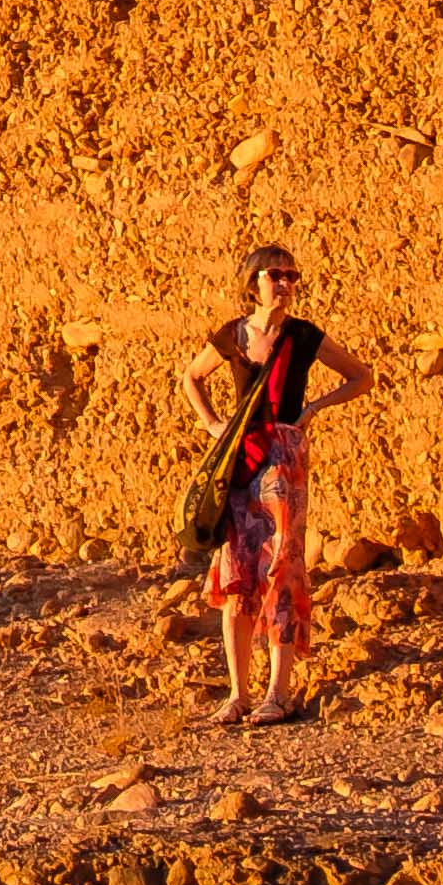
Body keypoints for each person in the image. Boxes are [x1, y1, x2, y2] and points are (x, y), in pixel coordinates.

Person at [183, 242, 370, 727]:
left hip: (283, 459)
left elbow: (361, 377)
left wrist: (313, 409)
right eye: (275, 275)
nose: (285, 284)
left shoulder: (303, 336)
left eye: (291, 276)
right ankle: (237, 694)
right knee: (237, 570)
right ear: (254, 282)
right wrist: (212, 424)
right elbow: (191, 378)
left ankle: (277, 694)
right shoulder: (233, 334)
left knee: (282, 569)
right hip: (240, 459)